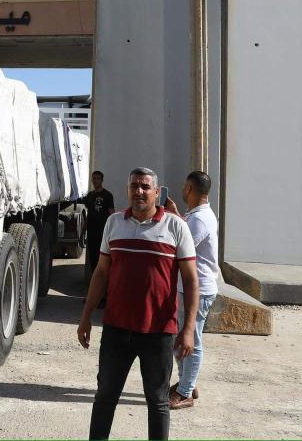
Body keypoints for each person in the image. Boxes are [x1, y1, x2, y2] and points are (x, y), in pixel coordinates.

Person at [77, 167, 199, 440]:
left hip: (158, 333)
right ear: (128, 190)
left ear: (156, 192)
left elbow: (191, 280)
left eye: (145, 187)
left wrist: (188, 328)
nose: (139, 191)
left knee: (157, 402)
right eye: (134, 186)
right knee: (105, 397)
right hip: (116, 329)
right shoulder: (114, 223)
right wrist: (85, 317)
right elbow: (101, 273)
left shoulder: (175, 226)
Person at [164, 170, 219, 410]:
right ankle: (188, 382)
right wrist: (176, 214)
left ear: (189, 188)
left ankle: (185, 392)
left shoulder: (199, 219)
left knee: (190, 339)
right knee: (181, 338)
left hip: (198, 289)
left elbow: (181, 247)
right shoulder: (197, 215)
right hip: (189, 287)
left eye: (184, 187)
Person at [75, 170, 115, 281]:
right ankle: (95, 285)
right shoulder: (90, 195)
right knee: (93, 260)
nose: (95, 181)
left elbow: (112, 213)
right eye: (94, 178)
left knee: (102, 259)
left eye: (98, 179)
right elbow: (89, 214)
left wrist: (114, 231)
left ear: (102, 180)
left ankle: (104, 286)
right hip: (91, 233)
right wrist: (83, 232)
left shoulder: (107, 195)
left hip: (103, 233)